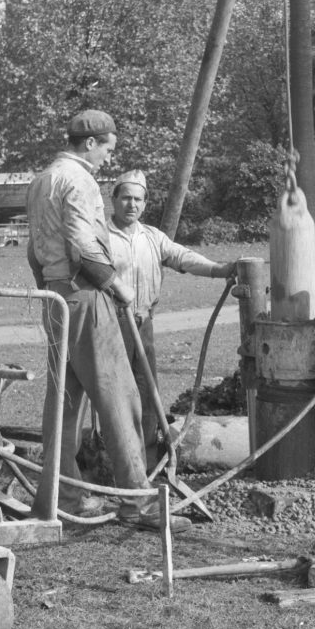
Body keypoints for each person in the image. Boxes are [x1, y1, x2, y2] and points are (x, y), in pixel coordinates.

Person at [25, 109, 187, 530]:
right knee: (121, 396)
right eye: (108, 149)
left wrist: (51, 288)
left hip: (54, 296)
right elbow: (83, 245)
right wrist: (115, 284)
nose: (108, 159)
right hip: (84, 294)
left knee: (63, 402)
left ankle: (63, 495)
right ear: (92, 143)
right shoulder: (79, 180)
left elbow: (32, 251)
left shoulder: (43, 179)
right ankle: (138, 500)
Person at [106, 169, 237, 458]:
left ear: (145, 203)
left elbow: (183, 257)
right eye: (126, 198)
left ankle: (147, 457)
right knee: (114, 393)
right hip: (110, 324)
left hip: (143, 323)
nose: (132, 205)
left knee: (147, 390)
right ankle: (114, 458)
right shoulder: (101, 237)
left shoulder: (151, 237)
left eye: (138, 199)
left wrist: (221, 270)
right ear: (113, 199)